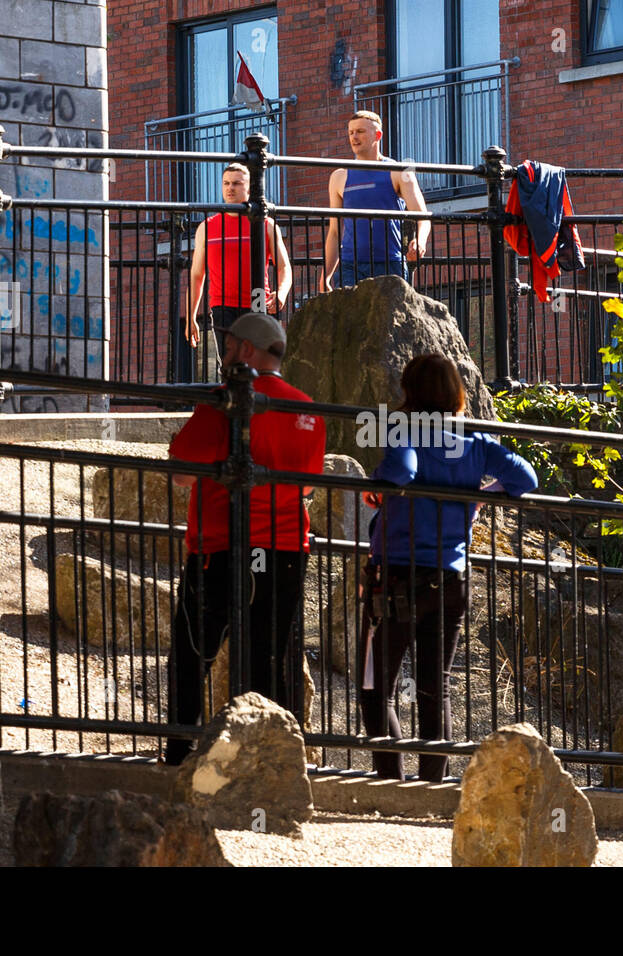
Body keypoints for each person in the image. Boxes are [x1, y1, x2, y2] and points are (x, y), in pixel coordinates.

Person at [357, 355, 537, 781]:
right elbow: (525, 479)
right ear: (457, 394)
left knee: (375, 687)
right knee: (433, 687)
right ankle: (431, 784)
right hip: (451, 578)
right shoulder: (472, 442)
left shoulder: (406, 431)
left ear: (410, 393)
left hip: (397, 577)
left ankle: (390, 779)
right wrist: (478, 494)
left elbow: (402, 469)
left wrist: (380, 484)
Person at [164, 312, 326, 765]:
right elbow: (307, 486)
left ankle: (179, 755)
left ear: (248, 351)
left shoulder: (224, 402)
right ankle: (268, 762)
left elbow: (180, 472)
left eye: (230, 345)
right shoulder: (307, 409)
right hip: (287, 549)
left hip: (220, 547)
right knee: (269, 658)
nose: (224, 353)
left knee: (193, 653)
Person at [182, 163, 293, 381]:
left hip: (258, 301)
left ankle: (258, 411)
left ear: (249, 189)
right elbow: (196, 276)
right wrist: (190, 317)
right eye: (226, 183)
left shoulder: (266, 224)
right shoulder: (207, 227)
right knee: (230, 366)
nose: (230, 188)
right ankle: (235, 412)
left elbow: (284, 267)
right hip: (222, 304)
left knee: (259, 366)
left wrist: (281, 293)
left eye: (236, 183)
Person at [323, 110, 431, 290]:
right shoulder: (339, 177)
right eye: (351, 132)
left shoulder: (398, 171)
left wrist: (420, 241)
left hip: (389, 262)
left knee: (391, 318)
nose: (354, 137)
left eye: (360, 131)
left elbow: (423, 216)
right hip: (350, 264)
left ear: (378, 135)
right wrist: (325, 276)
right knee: (352, 318)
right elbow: (334, 232)